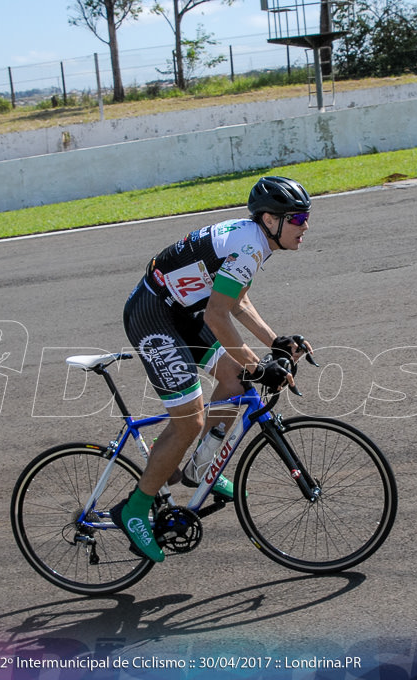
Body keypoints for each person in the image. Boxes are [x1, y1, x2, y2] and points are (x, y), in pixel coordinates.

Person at [110, 176, 315, 563]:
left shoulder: (257, 240)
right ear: (271, 219)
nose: (305, 226)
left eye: (306, 217)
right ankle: (134, 509)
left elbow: (236, 301)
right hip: (154, 316)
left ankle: (200, 464)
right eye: (298, 218)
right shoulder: (250, 244)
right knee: (188, 421)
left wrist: (273, 342)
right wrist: (259, 365)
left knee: (235, 381)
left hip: (182, 313)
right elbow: (217, 313)